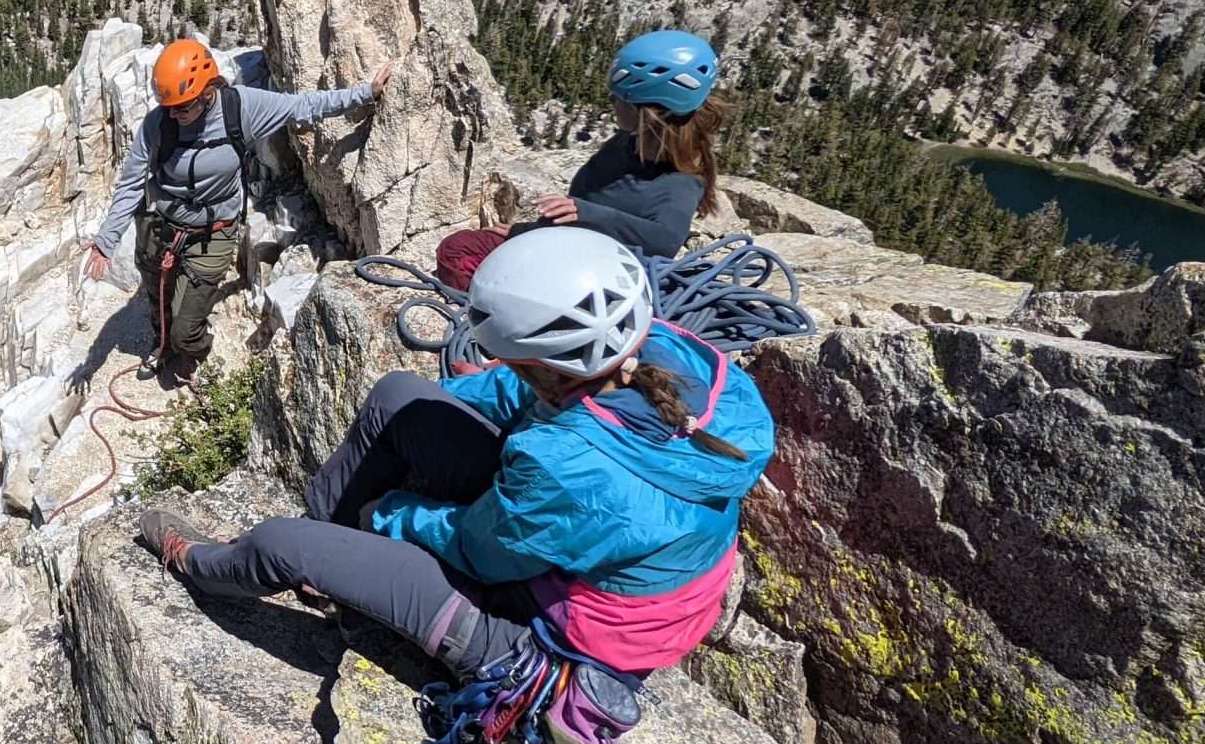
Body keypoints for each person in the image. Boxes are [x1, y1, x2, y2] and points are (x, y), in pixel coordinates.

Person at [135, 226, 774, 700]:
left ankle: (200, 563)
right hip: (581, 551)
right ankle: (330, 563)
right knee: (398, 398)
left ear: (551, 366)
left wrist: (392, 516)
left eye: (520, 361)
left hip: (555, 647)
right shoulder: (664, 351)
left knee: (281, 543)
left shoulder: (563, 463)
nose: (510, 370)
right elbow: (515, 392)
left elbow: (482, 552)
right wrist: (443, 404)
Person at [83, 38, 391, 385]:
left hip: (212, 233)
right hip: (160, 227)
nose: (174, 115)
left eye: (183, 107)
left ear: (206, 91)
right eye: (169, 107)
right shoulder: (159, 123)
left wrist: (365, 93)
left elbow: (304, 106)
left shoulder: (240, 109)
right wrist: (106, 241)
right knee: (158, 299)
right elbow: (131, 183)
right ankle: (163, 345)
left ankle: (191, 350)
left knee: (187, 324)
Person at [435, 29, 725, 291]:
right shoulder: (627, 143)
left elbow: (666, 240)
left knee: (456, 254)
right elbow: (580, 217)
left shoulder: (680, 182)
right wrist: (525, 232)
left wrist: (585, 213)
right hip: (567, 250)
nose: (612, 103)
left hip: (593, 274)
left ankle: (502, 318)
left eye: (618, 98)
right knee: (460, 248)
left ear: (647, 111)